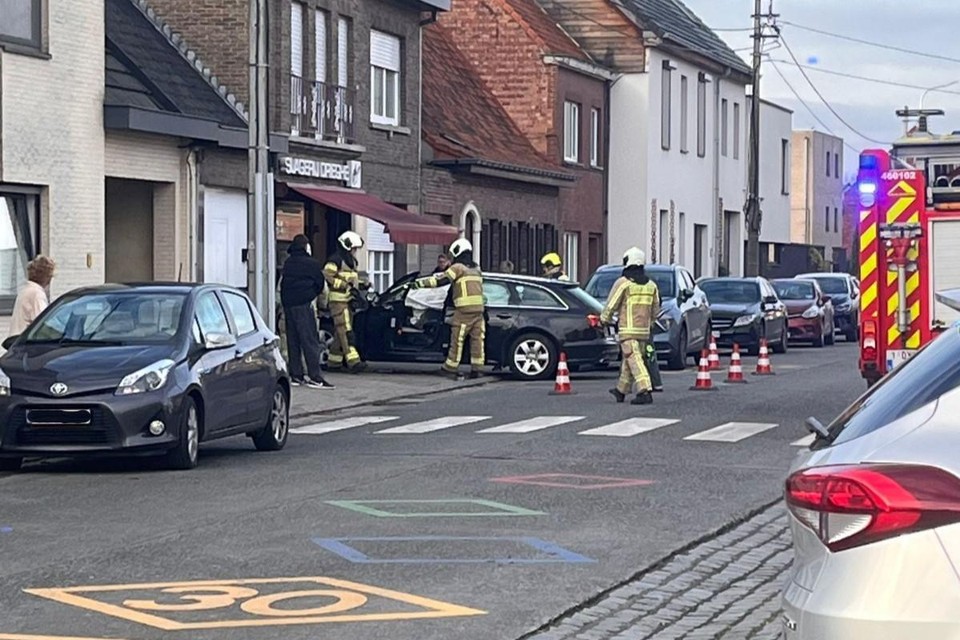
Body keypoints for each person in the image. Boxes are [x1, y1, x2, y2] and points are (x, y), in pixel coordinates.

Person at [412, 238, 485, 379]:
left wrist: (420, 284)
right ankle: (478, 368)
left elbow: (441, 280)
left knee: (457, 339)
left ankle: (450, 367)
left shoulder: (457, 268)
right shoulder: (476, 269)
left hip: (464, 310)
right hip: (479, 310)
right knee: (477, 340)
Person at [601, 247, 659, 405]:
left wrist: (603, 319)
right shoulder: (651, 285)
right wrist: (650, 323)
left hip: (628, 330)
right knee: (630, 360)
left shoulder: (623, 283)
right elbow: (656, 309)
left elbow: (611, 304)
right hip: (644, 331)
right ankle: (620, 390)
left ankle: (645, 390)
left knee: (635, 361)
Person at [280, 235, 334, 389]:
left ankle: (296, 375)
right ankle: (315, 376)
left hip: (289, 305)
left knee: (293, 341)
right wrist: (312, 296)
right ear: (306, 247)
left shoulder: (288, 263)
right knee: (310, 341)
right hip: (304, 304)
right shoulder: (312, 264)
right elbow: (320, 283)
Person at [323, 230, 367, 373]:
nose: (355, 252)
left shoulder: (351, 262)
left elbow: (350, 279)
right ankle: (353, 361)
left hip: (348, 301)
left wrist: (362, 284)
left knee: (339, 332)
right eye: (354, 249)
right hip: (338, 302)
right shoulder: (334, 259)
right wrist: (343, 285)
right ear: (347, 246)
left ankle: (333, 362)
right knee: (346, 330)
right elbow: (327, 276)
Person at [9, 255, 56, 337]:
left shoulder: (25, 290)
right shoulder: (36, 294)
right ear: (46, 276)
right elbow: (43, 323)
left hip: (16, 340)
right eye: (50, 276)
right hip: (27, 342)